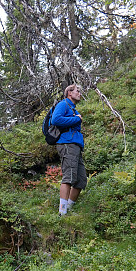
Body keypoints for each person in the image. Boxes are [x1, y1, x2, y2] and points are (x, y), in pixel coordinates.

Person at [51, 84, 87, 215]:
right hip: (67, 144)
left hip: (75, 145)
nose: (80, 93)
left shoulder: (72, 108)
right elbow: (56, 119)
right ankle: (62, 212)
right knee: (69, 177)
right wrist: (75, 119)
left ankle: (69, 210)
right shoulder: (63, 104)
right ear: (69, 93)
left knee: (81, 180)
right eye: (78, 91)